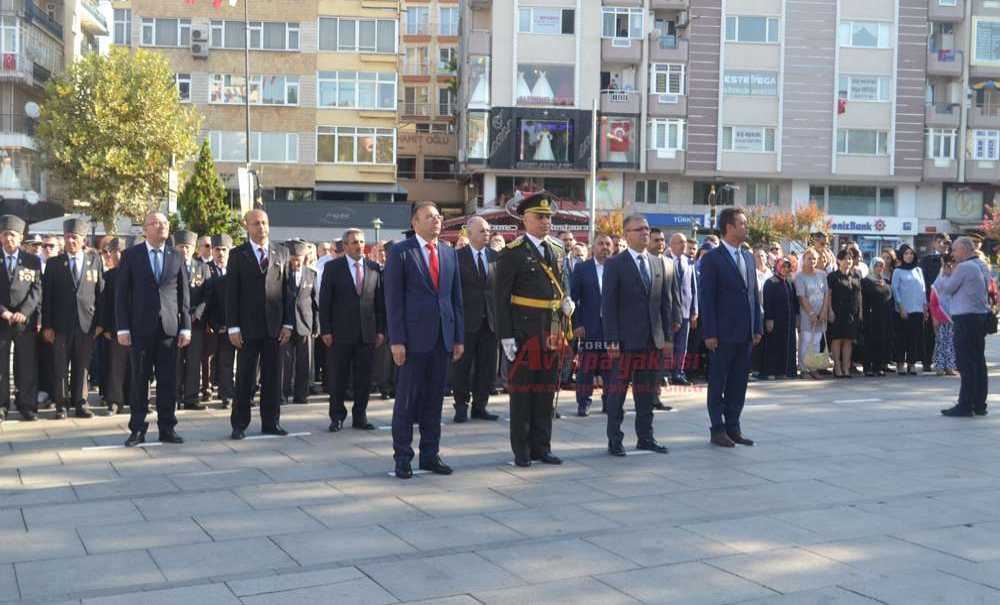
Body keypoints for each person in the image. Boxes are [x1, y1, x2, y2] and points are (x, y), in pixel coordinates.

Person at [385, 202, 464, 478]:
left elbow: (455, 299)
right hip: (412, 341)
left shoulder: (448, 253)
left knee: (434, 402)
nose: (437, 221)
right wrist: (397, 340)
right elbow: (393, 301)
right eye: (430, 217)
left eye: (439, 217)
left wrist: (458, 338)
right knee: (407, 401)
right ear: (415, 222)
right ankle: (403, 457)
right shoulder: (401, 252)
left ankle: (430, 454)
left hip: (442, 338)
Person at [495, 191, 571, 467]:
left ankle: (542, 446)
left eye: (549, 217)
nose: (546, 221)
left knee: (545, 391)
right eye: (540, 217)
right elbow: (500, 299)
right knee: (523, 393)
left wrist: (566, 303)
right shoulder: (513, 252)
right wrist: (505, 336)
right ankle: (522, 450)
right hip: (524, 332)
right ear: (525, 219)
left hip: (551, 331)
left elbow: (560, 285)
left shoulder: (558, 249)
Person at [601, 214, 680, 457]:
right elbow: (609, 305)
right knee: (617, 394)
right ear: (626, 235)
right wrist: (612, 340)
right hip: (624, 342)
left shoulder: (660, 263)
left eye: (646, 229)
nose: (645, 233)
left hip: (652, 341)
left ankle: (646, 437)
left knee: (646, 394)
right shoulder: (615, 264)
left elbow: (665, 304)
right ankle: (615, 440)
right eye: (639, 229)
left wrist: (667, 338)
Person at [116, 212, 191, 446]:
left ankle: (167, 427)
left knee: (168, 381)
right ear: (145, 229)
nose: (162, 227)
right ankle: (137, 428)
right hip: (140, 329)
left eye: (165, 223)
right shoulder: (131, 256)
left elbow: (183, 294)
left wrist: (186, 327)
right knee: (140, 381)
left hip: (168, 328)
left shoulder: (176, 255)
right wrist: (122, 328)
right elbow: (122, 295)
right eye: (156, 223)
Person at [226, 209, 294, 440]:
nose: (261, 227)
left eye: (264, 222)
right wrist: (233, 327)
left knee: (273, 378)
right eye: (256, 223)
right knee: (245, 377)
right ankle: (239, 424)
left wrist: (288, 323)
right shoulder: (238, 254)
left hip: (274, 327)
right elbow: (231, 294)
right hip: (247, 328)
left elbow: (288, 291)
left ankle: (271, 422)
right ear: (247, 226)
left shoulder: (282, 252)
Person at [698, 208, 762, 447]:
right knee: (718, 383)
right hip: (722, 334)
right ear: (729, 227)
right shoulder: (713, 258)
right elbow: (707, 298)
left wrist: (757, 327)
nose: (746, 227)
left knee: (738, 383)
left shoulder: (747, 257)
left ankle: (734, 427)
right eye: (742, 223)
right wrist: (710, 333)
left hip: (745, 333)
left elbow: (754, 295)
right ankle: (717, 429)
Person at [320, 228, 385, 431]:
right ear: (345, 246)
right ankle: (337, 416)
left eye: (361, 242)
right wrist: (326, 330)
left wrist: (381, 330)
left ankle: (360, 416)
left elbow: (379, 302)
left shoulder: (374, 268)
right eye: (354, 242)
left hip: (367, 333)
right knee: (338, 377)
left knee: (364, 378)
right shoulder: (333, 268)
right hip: (340, 333)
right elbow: (325, 301)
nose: (359, 246)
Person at [41, 218, 102, 419]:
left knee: (82, 366)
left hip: (86, 323)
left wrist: (100, 323)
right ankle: (61, 405)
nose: (70, 241)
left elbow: (101, 293)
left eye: (74, 237)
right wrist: (47, 325)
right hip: (60, 325)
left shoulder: (95, 261)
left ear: (83, 240)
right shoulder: (54, 263)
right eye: (67, 237)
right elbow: (46, 297)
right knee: (60, 366)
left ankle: (81, 403)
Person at [934, 237, 991, 417]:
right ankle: (979, 403)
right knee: (978, 362)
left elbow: (947, 288)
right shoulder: (981, 265)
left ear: (965, 250)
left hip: (965, 319)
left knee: (966, 363)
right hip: (978, 317)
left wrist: (945, 273)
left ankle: (965, 404)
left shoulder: (965, 267)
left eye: (955, 250)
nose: (953, 253)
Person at [451, 216, 499, 423]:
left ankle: (481, 406)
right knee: (462, 366)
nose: (486, 233)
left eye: (488, 230)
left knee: (487, 366)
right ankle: (461, 405)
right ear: (469, 234)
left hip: (490, 321)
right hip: (466, 321)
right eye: (482, 230)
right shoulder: (456, 256)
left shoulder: (496, 257)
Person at [0, 215, 41, 422]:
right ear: (0, 236)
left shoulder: (32, 260)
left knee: (26, 365)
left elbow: (36, 290)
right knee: (1, 366)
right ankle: (2, 405)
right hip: (1, 320)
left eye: (13, 235)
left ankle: (27, 405)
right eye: (6, 234)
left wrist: (24, 312)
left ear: (20, 238)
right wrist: (3, 311)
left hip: (24, 322)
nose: (9, 239)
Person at [571, 234, 612, 417]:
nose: (604, 247)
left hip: (612, 328)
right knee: (587, 367)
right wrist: (577, 323)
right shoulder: (582, 269)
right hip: (589, 326)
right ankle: (584, 402)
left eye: (608, 244)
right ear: (593, 247)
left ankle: (610, 401)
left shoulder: (617, 267)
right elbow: (574, 299)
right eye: (601, 243)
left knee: (611, 367)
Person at [171, 230, 212, 411]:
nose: (184, 250)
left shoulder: (202, 268)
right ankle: (174, 396)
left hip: (196, 322)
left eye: (187, 247)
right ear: (175, 247)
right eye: (181, 247)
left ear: (193, 248)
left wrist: (198, 313)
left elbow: (208, 295)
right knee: (175, 361)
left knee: (194, 361)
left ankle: (191, 397)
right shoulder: (169, 266)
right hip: (174, 322)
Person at [282, 240, 318, 405]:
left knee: (304, 363)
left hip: (305, 323)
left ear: (304, 258)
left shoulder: (311, 274)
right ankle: (283, 393)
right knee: (285, 362)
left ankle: (301, 394)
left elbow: (315, 302)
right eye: (293, 259)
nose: (296, 262)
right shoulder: (282, 274)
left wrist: (316, 325)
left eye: (299, 259)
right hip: (285, 325)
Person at [204, 234, 235, 409]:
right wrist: (215, 324)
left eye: (224, 250)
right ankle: (225, 395)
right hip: (216, 325)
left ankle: (234, 393)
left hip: (236, 324)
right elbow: (208, 300)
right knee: (221, 362)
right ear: (212, 251)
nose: (220, 253)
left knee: (231, 362)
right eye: (217, 249)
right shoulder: (206, 269)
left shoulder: (235, 268)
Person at [99, 237, 129, 414]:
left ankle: (139, 400)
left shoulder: (137, 272)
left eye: (120, 251)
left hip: (137, 327)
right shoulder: (108, 276)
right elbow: (105, 303)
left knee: (139, 368)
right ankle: (115, 401)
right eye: (113, 252)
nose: (117, 255)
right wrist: (107, 328)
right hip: (116, 328)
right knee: (116, 367)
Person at [667, 233, 698, 386]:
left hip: (685, 310)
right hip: (668, 310)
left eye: (685, 242)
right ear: (671, 244)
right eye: (680, 242)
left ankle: (678, 372)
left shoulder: (688, 262)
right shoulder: (664, 259)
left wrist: (695, 310)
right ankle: (665, 373)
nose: (684, 245)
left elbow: (693, 288)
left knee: (682, 345)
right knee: (668, 344)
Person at [891, 244, 927, 375]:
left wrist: (925, 307)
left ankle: (911, 363)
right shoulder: (898, 271)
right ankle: (900, 363)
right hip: (903, 310)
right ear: (901, 256)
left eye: (911, 253)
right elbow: (895, 290)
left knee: (914, 338)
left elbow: (923, 289)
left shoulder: (918, 270)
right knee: (901, 338)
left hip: (917, 309)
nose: (909, 256)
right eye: (906, 253)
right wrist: (901, 307)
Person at [827, 249, 863, 378]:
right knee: (837, 340)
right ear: (838, 260)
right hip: (837, 311)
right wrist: (829, 310)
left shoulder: (856, 275)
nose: (848, 261)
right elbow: (829, 295)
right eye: (845, 258)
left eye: (850, 258)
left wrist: (861, 312)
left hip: (852, 312)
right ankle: (837, 368)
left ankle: (846, 368)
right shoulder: (832, 276)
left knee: (848, 340)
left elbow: (859, 294)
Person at [761, 257, 798, 380]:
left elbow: (794, 301)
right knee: (774, 345)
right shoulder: (771, 282)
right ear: (778, 267)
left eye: (788, 266)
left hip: (788, 319)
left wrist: (796, 316)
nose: (786, 269)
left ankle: (784, 371)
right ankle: (771, 371)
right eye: (783, 266)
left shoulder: (790, 281)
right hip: (775, 319)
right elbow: (768, 302)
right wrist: (769, 319)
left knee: (787, 345)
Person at [795, 248, 828, 380]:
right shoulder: (800, 276)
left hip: (821, 314)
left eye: (814, 258)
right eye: (809, 258)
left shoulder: (822, 274)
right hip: (807, 315)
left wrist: (824, 311)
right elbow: (802, 297)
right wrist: (812, 313)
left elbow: (826, 294)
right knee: (806, 342)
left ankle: (813, 368)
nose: (812, 261)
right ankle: (803, 368)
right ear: (804, 260)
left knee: (816, 342)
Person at [920, 233, 950, 373]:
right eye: (941, 242)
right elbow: (924, 282)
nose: (944, 245)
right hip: (933, 300)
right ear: (934, 244)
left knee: (948, 335)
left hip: (949, 302)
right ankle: (927, 361)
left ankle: (948, 362)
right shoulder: (927, 260)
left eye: (946, 242)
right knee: (930, 333)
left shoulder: (953, 259)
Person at [861, 258, 894, 376]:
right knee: (870, 341)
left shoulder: (885, 281)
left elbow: (889, 296)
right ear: (872, 267)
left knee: (882, 340)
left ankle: (878, 366)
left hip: (884, 315)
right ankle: (867, 367)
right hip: (871, 315)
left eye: (882, 266)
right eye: (877, 266)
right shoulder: (865, 281)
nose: (880, 268)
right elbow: (863, 300)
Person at [929, 255, 958, 377]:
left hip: (953, 316)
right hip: (941, 316)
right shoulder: (939, 281)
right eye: (947, 266)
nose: (949, 268)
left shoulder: (956, 280)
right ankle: (939, 366)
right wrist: (935, 317)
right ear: (943, 267)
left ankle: (949, 366)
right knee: (941, 342)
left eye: (952, 266)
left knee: (951, 343)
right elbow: (933, 301)